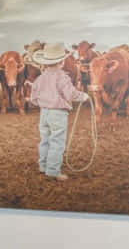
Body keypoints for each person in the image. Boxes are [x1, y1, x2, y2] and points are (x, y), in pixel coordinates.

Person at [29, 42, 90, 181]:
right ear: (62, 62)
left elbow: (33, 98)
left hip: (44, 113)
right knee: (57, 142)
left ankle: (43, 166)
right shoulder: (62, 76)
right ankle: (53, 171)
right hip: (58, 113)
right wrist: (84, 96)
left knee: (45, 140)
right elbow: (71, 94)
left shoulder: (40, 78)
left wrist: (44, 104)